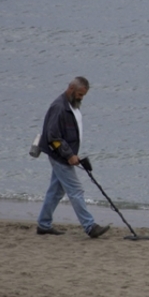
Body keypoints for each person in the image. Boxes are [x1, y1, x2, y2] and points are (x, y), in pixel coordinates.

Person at [36, 77, 110, 238]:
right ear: (70, 89)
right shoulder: (59, 107)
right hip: (60, 157)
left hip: (64, 156)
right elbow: (53, 137)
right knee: (76, 190)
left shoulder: (70, 106)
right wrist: (69, 155)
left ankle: (43, 224)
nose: (81, 98)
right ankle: (90, 226)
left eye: (83, 95)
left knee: (55, 191)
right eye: (79, 94)